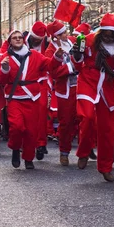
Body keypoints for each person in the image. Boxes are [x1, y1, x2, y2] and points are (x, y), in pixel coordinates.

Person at [71, 14, 114, 182]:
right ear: (101, 31)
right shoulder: (87, 40)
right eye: (106, 32)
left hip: (107, 84)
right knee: (87, 118)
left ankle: (105, 166)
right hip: (88, 81)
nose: (108, 35)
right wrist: (77, 55)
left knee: (107, 128)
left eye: (112, 32)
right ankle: (84, 152)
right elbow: (77, 64)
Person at [0, 30, 61, 170]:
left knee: (31, 132)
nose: (18, 39)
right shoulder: (5, 58)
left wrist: (57, 57)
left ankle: (28, 158)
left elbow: (50, 65)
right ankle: (14, 149)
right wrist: (5, 69)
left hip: (32, 98)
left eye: (20, 37)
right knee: (17, 127)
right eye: (14, 38)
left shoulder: (35, 55)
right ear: (10, 41)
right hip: (14, 98)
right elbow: (0, 80)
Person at [45, 20, 79, 166]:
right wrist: (70, 69)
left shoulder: (71, 42)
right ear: (56, 37)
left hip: (80, 87)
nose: (67, 34)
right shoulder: (50, 51)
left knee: (84, 118)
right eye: (64, 33)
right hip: (65, 90)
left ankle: (86, 147)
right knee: (66, 123)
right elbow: (53, 72)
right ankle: (64, 151)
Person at [26, 21, 51, 160]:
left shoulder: (47, 43)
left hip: (41, 81)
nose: (36, 41)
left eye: (38, 40)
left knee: (42, 111)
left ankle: (41, 143)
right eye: (34, 38)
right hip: (23, 83)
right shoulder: (20, 39)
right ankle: (27, 142)